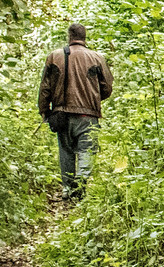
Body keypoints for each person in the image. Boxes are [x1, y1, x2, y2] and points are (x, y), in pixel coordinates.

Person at [37, 23, 113, 198]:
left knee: (66, 151)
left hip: (61, 114)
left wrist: (44, 110)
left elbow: (45, 87)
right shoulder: (97, 58)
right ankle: (81, 183)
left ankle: (67, 189)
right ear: (84, 37)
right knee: (87, 149)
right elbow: (107, 88)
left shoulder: (54, 56)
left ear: (69, 37)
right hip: (88, 115)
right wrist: (92, 98)